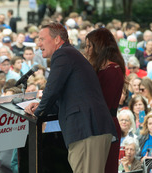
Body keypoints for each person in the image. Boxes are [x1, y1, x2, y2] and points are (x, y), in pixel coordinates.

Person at [24, 22, 117, 173]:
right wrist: (40, 105)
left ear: (57, 39)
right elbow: (66, 96)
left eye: (42, 38)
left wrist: (38, 112)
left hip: (87, 130)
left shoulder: (63, 54)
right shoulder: (70, 55)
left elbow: (52, 89)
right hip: (89, 130)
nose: (38, 43)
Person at [85, 27, 126, 173]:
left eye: (90, 46)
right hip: (99, 126)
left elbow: (103, 104)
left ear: (99, 47)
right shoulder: (103, 69)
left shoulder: (112, 70)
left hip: (105, 127)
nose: (87, 50)